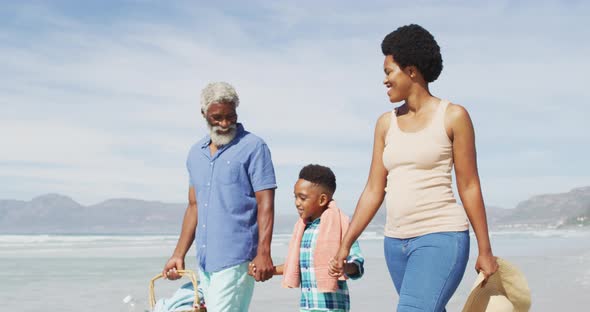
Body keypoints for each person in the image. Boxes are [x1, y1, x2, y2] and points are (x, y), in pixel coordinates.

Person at [328, 24, 499, 311]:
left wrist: (485, 249)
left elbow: (469, 185)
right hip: (395, 244)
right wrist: (347, 242)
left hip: (441, 235)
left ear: (411, 70)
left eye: (388, 71)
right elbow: (373, 189)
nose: (384, 80)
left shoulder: (454, 116)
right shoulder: (385, 124)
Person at [162, 81, 277, 312]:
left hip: (236, 258)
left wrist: (264, 252)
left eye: (230, 116)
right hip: (205, 260)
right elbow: (194, 206)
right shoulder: (196, 153)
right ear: (204, 113)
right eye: (217, 117)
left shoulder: (254, 147)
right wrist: (178, 254)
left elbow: (266, 203)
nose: (224, 124)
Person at [253, 164, 364, 312]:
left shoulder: (341, 225)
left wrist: (345, 267)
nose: (297, 202)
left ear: (322, 200)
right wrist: (268, 270)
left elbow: (358, 265)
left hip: (333, 308)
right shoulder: (302, 229)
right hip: (307, 308)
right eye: (295, 197)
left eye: (303, 198)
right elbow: (298, 266)